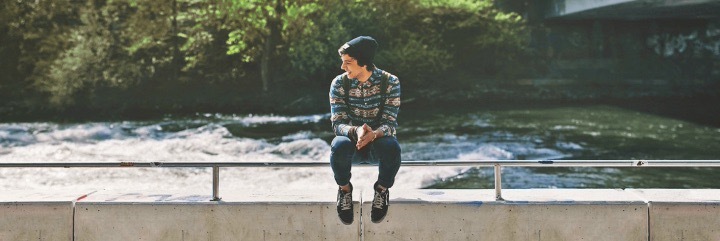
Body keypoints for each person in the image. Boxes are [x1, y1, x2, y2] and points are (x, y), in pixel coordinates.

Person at [329, 36, 401, 225]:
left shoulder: (390, 82)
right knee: (338, 144)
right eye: (343, 62)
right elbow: (337, 124)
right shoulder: (339, 83)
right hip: (353, 144)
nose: (343, 67)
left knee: (392, 146)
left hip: (378, 144)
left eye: (348, 63)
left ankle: (382, 190)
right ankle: (344, 191)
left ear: (363, 62)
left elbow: (390, 123)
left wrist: (374, 134)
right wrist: (357, 131)